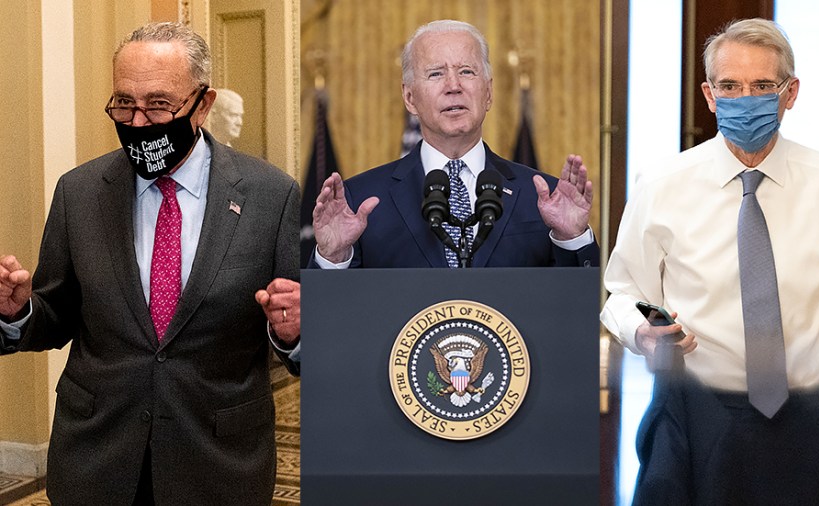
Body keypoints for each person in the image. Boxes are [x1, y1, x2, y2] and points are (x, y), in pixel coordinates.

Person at [601, 18, 819, 506]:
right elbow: (626, 294)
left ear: (791, 92)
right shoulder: (662, 186)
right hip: (689, 419)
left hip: (806, 421)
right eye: (730, 86)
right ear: (710, 95)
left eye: (762, 85)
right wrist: (649, 328)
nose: (746, 98)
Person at [0, 22, 300, 505]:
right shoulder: (78, 192)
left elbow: (296, 338)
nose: (138, 123)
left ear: (202, 104)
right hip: (97, 459)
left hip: (218, 463)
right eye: (123, 103)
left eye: (159, 104)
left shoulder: (272, 196)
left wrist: (296, 333)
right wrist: (18, 312)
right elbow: (56, 315)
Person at [311, 19, 599, 269]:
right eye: (436, 73)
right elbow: (338, 315)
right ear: (410, 98)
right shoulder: (362, 200)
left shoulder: (541, 199)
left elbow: (572, 310)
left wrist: (571, 238)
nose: (453, 85)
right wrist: (333, 257)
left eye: (467, 72)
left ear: (488, 93)